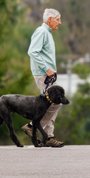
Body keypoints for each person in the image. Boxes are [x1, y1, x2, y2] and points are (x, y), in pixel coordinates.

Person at [21, 8, 65, 147]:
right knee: (56, 102)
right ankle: (32, 126)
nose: (60, 22)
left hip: (47, 75)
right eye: (57, 19)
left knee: (51, 104)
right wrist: (47, 68)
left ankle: (48, 137)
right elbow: (32, 52)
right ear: (49, 20)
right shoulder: (41, 32)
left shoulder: (47, 33)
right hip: (43, 74)